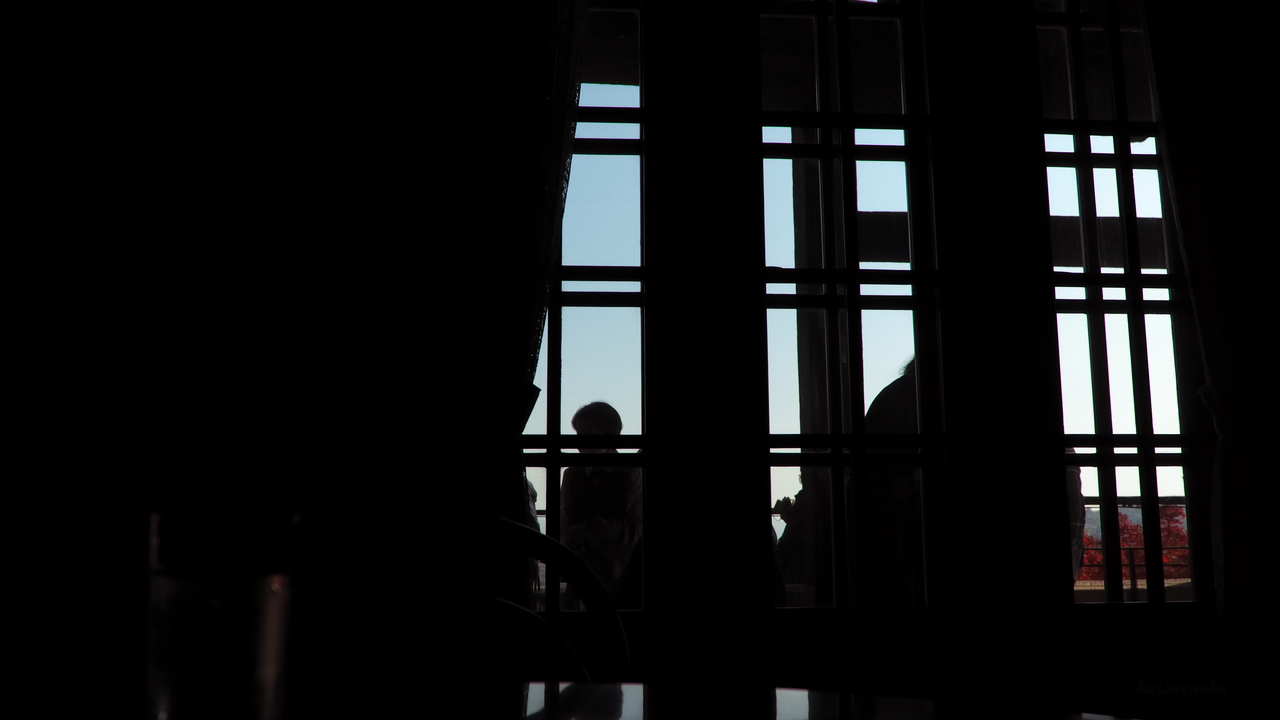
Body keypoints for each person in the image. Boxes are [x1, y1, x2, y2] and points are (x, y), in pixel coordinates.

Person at [560, 402, 643, 609]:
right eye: (579, 435)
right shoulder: (631, 472)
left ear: (611, 435)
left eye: (588, 435)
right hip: (598, 574)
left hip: (615, 576)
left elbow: (637, 528)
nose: (581, 442)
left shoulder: (573, 474)